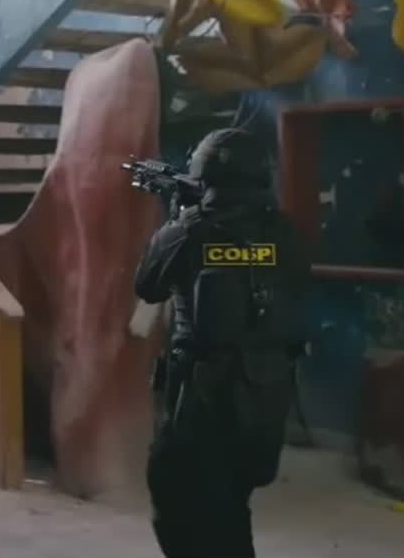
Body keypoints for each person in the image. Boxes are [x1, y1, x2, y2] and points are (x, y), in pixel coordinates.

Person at [133, 128, 310, 558]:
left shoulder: (187, 231)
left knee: (179, 501)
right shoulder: (285, 233)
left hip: (199, 402)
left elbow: (148, 286)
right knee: (230, 506)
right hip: (265, 397)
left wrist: (180, 215)